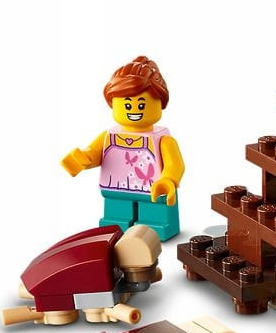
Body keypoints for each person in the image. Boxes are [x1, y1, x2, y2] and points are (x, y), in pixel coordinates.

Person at [61, 56, 184, 239]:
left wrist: (168, 179)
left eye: (141, 104)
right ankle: (116, 226)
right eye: (127, 104)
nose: (134, 110)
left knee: (154, 214)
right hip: (115, 188)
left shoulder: (163, 139)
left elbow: (175, 164)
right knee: (117, 213)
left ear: (160, 103)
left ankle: (153, 227)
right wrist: (83, 159)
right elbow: (94, 153)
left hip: (152, 191)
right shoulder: (108, 136)